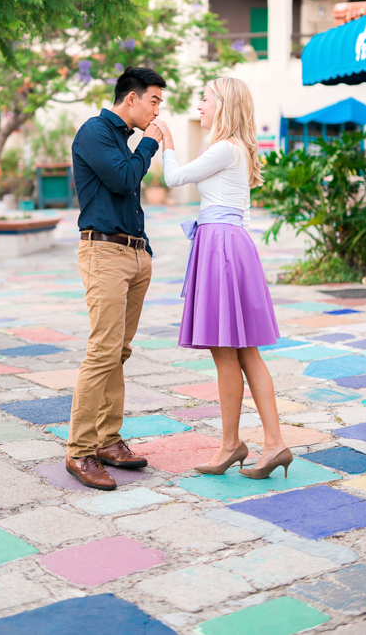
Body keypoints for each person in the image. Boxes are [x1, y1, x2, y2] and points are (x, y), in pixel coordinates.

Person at [157, 78, 290, 478]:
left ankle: (236, 444)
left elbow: (174, 179)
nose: (199, 104)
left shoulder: (224, 148)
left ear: (224, 105)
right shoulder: (235, 149)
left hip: (221, 248)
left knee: (227, 351)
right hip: (228, 243)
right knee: (244, 351)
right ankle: (269, 444)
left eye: (205, 98)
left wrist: (166, 141)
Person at [66, 67, 166, 490]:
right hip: (104, 252)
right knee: (102, 351)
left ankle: (108, 439)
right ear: (131, 99)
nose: (159, 110)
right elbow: (124, 179)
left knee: (118, 352)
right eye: (155, 101)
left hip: (134, 253)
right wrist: (151, 144)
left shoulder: (121, 139)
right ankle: (79, 450)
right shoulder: (94, 132)